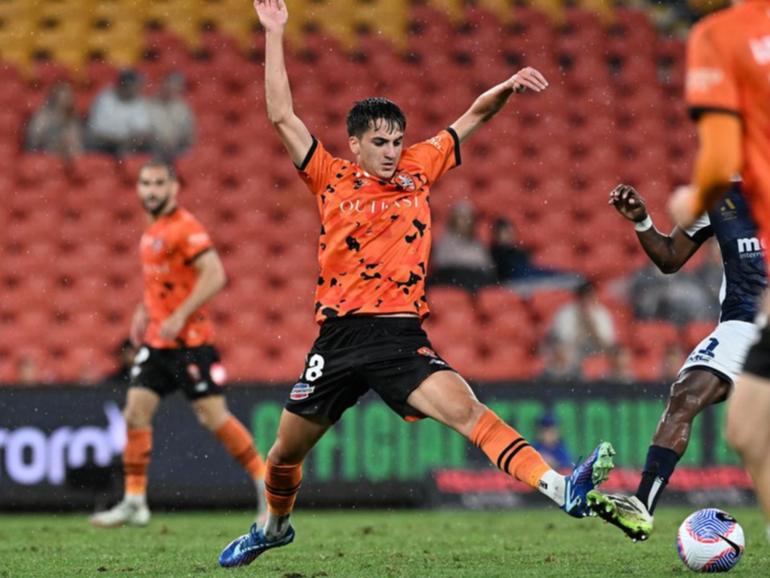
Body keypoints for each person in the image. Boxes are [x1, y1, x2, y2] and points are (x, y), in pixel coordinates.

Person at [218, 0, 615, 568]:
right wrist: (275, 33)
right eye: (379, 142)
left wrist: (505, 86)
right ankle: (274, 526)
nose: (391, 151)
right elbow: (281, 115)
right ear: (354, 144)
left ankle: (560, 487)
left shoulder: (419, 170)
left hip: (400, 337)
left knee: (468, 411)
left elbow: (471, 117)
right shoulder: (329, 177)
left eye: (397, 140)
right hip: (337, 341)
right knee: (283, 455)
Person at [90, 160, 267, 528]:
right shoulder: (153, 229)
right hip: (157, 344)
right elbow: (165, 279)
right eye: (145, 184)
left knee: (213, 418)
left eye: (158, 184)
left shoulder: (186, 228)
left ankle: (266, 481)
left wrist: (179, 315)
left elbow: (216, 274)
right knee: (135, 411)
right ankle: (135, 501)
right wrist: (144, 308)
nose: (151, 191)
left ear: (174, 188)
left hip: (190, 343)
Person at [588, 182, 765, 541]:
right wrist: (642, 222)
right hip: (741, 325)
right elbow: (670, 257)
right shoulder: (720, 198)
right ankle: (641, 506)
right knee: (685, 394)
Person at [667, 0, 770, 543]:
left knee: (749, 432)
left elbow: (720, 155)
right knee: (747, 430)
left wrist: (694, 196)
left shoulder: (721, 36)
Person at [490, 217, 582, 292]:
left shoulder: (519, 252)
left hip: (530, 279)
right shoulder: (495, 254)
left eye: (510, 232)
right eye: (505, 232)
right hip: (515, 284)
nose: (509, 235)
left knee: (557, 275)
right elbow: (512, 275)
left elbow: (532, 270)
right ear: (497, 235)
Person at [545, 281, 616, 378]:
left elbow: (608, 341)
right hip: (572, 348)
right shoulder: (565, 312)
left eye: (590, 298)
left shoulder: (602, 313)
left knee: (618, 355)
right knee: (564, 352)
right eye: (585, 298)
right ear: (579, 298)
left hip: (594, 349)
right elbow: (564, 339)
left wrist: (591, 326)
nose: (587, 301)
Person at [430, 200, 496, 292]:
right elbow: (442, 266)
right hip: (454, 283)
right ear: (454, 220)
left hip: (476, 283)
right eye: (461, 218)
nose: (466, 222)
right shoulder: (445, 242)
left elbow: (487, 267)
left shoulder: (478, 244)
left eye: (468, 218)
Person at [86, 69, 152, 156]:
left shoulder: (139, 101)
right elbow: (98, 132)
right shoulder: (105, 98)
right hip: (104, 144)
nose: (136, 90)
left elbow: (142, 130)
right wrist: (122, 140)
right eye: (134, 86)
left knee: (151, 147)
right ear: (124, 85)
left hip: (129, 144)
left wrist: (131, 140)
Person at [25, 81, 83, 161]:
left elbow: (77, 146)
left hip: (67, 158)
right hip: (44, 156)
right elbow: (34, 140)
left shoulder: (72, 119)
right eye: (64, 96)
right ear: (55, 97)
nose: (67, 99)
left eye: (69, 96)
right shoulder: (43, 116)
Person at [148, 72, 195, 161]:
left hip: (177, 150)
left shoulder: (183, 107)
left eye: (176, 87)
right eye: (169, 85)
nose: (171, 89)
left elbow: (190, 134)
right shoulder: (148, 104)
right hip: (153, 149)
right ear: (163, 84)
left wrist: (178, 140)